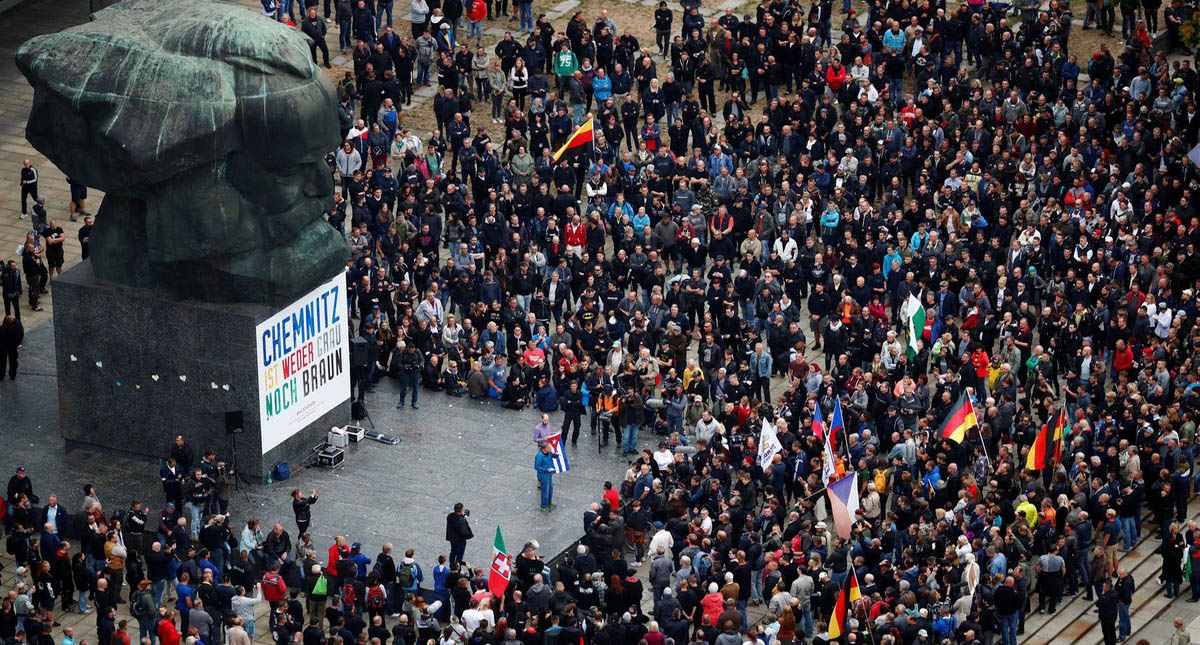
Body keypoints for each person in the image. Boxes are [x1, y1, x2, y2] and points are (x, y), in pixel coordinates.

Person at [534, 441, 555, 512]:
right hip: (543, 475)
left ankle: (549, 503)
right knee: (545, 491)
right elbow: (537, 466)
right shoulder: (539, 456)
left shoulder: (548, 453)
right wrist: (546, 470)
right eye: (549, 447)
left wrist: (556, 455)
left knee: (550, 489)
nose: (550, 448)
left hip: (549, 474)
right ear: (544, 449)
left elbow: (552, 455)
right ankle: (543, 506)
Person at [0, 315, 22, 381]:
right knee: (13, 362)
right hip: (12, 347)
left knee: (2, 361)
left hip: (3, 348)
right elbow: (18, 339)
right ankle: (12, 375)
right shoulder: (14, 329)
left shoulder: (1, 329)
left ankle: (1, 375)